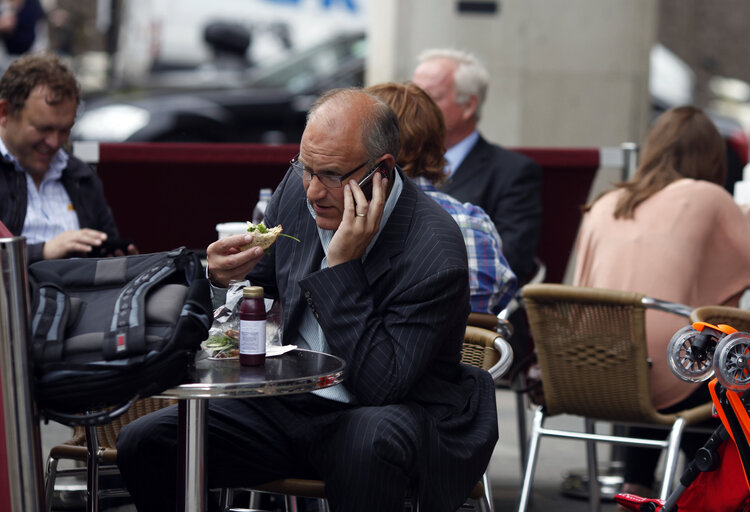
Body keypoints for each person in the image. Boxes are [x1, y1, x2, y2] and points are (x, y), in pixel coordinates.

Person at [116, 88, 498, 512]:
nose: (313, 191)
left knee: (366, 441)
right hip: (290, 402)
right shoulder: (300, 193)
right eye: (306, 168)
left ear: (382, 170)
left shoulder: (434, 248)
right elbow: (260, 290)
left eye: (332, 175)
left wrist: (340, 270)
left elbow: (380, 386)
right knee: (146, 441)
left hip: (390, 412)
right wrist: (221, 280)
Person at [573, 105, 750, 499]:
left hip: (587, 371)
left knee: (652, 352)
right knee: (714, 366)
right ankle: (695, 492)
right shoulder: (710, 198)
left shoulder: (608, 201)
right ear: (712, 157)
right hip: (666, 374)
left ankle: (636, 487)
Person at [366, 81, 516, 315]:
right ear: (438, 140)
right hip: (471, 352)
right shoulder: (474, 221)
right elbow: (493, 308)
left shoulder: (358, 223)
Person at [412, 48, 542, 284]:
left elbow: (511, 261)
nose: (417, 109)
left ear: (469, 105)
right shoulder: (399, 164)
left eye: (430, 97)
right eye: (413, 97)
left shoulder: (513, 173)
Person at [0, 52, 137, 263]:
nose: (54, 142)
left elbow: (109, 246)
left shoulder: (80, 175)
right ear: (4, 113)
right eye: (43, 128)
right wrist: (44, 252)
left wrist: (121, 263)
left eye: (64, 130)